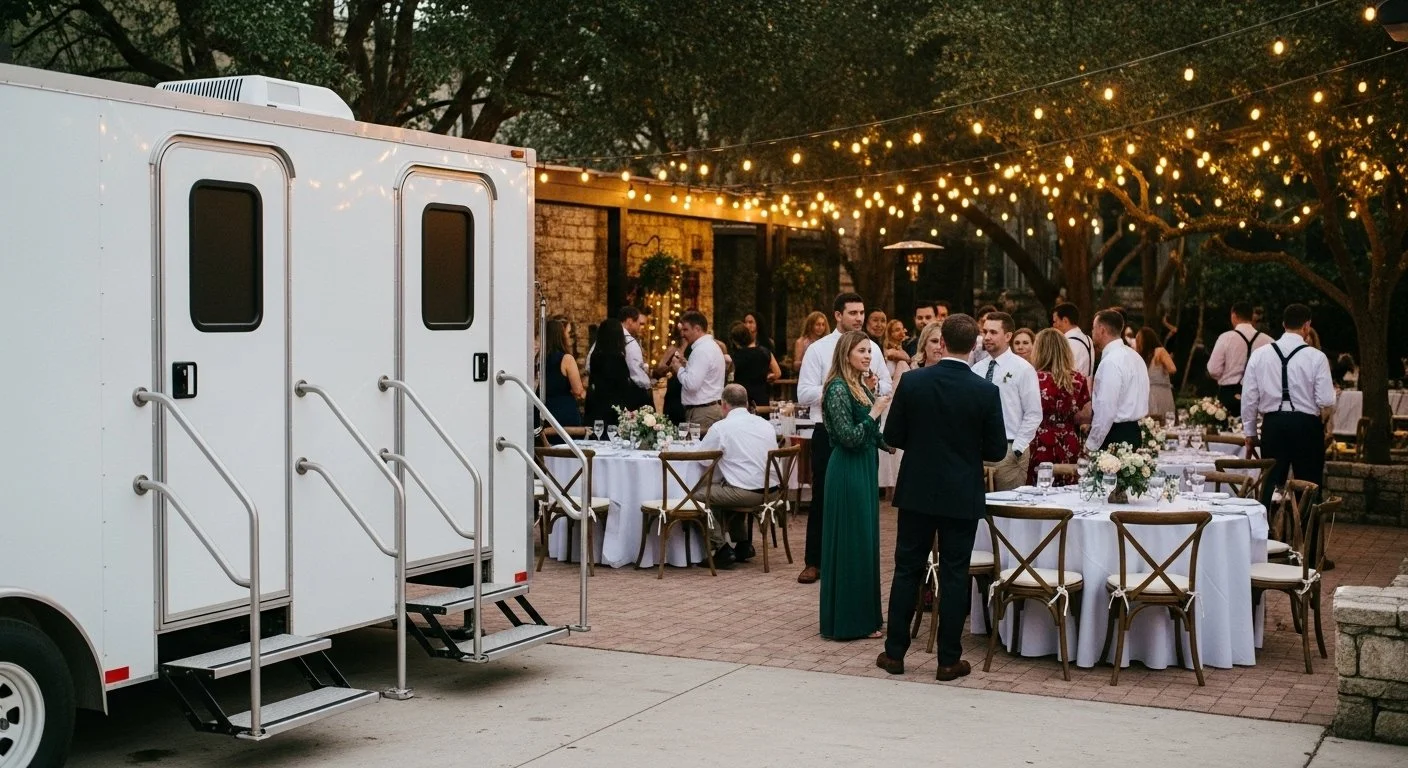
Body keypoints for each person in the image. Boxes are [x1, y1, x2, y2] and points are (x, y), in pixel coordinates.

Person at [877, 314, 1007, 680]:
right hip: (961, 490)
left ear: (943, 343)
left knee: (907, 570)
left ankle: (895, 654)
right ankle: (948, 659)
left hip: (918, 487)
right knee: (954, 574)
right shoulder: (985, 391)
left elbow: (894, 435)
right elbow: (997, 450)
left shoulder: (915, 383)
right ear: (974, 346)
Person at [795, 292, 893, 584]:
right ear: (837, 315)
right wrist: (841, 388)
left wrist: (872, 386)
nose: (859, 318)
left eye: (862, 312)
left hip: (864, 428)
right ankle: (814, 560)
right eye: (853, 313)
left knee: (861, 499)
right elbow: (803, 393)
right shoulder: (818, 350)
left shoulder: (871, 347)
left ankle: (852, 559)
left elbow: (886, 384)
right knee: (824, 496)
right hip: (828, 431)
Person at [818, 330, 891, 641]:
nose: (867, 356)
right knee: (851, 541)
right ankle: (848, 622)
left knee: (865, 540)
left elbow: (871, 434)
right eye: (862, 351)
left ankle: (865, 617)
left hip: (864, 465)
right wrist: (875, 412)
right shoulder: (836, 388)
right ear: (846, 353)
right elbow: (848, 436)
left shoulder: (859, 385)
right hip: (847, 468)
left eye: (870, 352)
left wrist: (895, 443)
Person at [1242, 303, 1335, 510]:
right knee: (1309, 485)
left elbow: (1249, 398)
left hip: (1273, 424)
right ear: (1307, 326)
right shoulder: (1316, 357)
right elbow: (1326, 400)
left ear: (1284, 324)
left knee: (1270, 484)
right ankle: (1305, 536)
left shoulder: (1260, 354)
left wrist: (1250, 433)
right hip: (1306, 425)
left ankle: (1268, 534)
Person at [699, 384, 778, 568]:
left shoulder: (721, 427)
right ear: (746, 403)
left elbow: (703, 459)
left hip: (748, 493)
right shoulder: (765, 424)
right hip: (773, 491)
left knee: (699, 497)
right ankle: (743, 544)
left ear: (724, 404)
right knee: (726, 487)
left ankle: (721, 549)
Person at [971, 311, 1041, 490]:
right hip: (977, 449)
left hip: (1009, 448)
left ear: (1008, 336)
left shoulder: (1023, 369)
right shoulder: (977, 369)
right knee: (979, 511)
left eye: (993, 332)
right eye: (985, 331)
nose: (987, 337)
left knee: (1007, 510)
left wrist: (1017, 448)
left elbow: (1033, 413)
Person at [1028, 329, 1092, 485]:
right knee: (1068, 488)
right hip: (1068, 439)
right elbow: (1087, 415)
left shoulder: (1032, 377)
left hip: (1038, 439)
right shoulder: (1077, 378)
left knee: (1039, 489)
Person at [1086, 309, 1150, 451]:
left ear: (1102, 330)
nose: (1092, 332)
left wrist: (1091, 444)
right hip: (1134, 432)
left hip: (1114, 435)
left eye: (1093, 328)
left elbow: (1106, 409)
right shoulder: (1136, 357)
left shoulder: (1111, 362)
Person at [1206, 302, 1270, 414]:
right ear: (1252, 317)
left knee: (1227, 430)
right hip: (1257, 394)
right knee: (1255, 429)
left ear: (1233, 316)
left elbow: (1213, 369)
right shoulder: (1268, 341)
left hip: (1228, 394)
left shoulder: (1225, 338)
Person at [668, 310, 726, 434]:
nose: (682, 334)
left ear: (697, 329)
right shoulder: (710, 346)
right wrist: (687, 365)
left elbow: (692, 384)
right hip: (707, 409)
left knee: (699, 451)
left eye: (685, 330)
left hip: (703, 413)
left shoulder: (701, 350)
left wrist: (678, 368)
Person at [878, 319, 912, 494]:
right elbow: (905, 358)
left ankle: (894, 480)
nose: (901, 333)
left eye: (902, 329)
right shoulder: (889, 351)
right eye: (896, 330)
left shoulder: (900, 352)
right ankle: (884, 481)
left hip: (896, 396)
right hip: (887, 396)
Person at [584, 318, 637, 425]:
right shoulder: (617, 358)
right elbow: (623, 385)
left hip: (597, 404)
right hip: (614, 409)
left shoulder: (595, 356)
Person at [542, 318, 584, 436]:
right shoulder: (566, 359)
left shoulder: (538, 358)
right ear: (560, 335)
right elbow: (578, 390)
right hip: (563, 411)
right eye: (567, 332)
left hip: (542, 409)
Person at [729, 322, 780, 408]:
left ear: (735, 341)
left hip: (742, 398)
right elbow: (777, 373)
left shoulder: (735, 356)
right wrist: (767, 377)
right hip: (761, 397)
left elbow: (731, 374)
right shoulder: (765, 352)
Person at [1137, 326, 1178, 418]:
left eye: (1139, 340)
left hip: (1160, 393)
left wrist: (1164, 364)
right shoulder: (1142, 357)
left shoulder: (1159, 351)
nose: (1138, 343)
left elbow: (1172, 368)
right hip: (1146, 395)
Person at [618, 306, 655, 408]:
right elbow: (636, 371)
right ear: (630, 321)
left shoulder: (605, 337)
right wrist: (647, 385)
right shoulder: (630, 342)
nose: (641, 327)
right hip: (630, 393)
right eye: (640, 324)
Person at [652, 326, 688, 425]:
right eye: (683, 330)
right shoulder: (673, 349)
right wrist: (673, 367)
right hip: (675, 387)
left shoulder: (696, 349)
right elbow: (660, 368)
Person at [1052, 302, 1093, 381]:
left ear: (1065, 321)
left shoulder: (1066, 343)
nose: (1054, 325)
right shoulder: (1088, 339)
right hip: (1086, 390)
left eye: (1055, 321)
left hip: (1072, 390)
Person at [793, 311, 830, 375]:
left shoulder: (827, 342)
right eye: (818, 324)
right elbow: (796, 366)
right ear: (810, 325)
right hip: (807, 376)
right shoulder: (801, 342)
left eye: (823, 325)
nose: (821, 327)